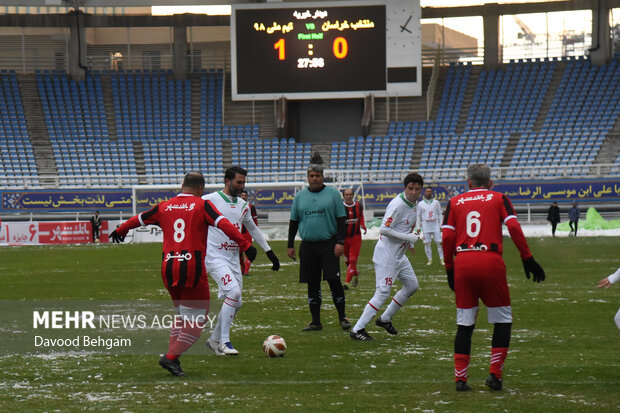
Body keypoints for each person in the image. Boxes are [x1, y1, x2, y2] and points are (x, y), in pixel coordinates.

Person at [109, 172, 255, 377]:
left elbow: (139, 219)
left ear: (182, 185)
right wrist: (245, 244)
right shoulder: (201, 205)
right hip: (192, 267)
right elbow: (223, 224)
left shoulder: (164, 206)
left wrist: (121, 230)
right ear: (200, 190)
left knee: (181, 317)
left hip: (168, 268)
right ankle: (170, 357)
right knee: (197, 323)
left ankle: (173, 360)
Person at [442, 164, 545, 392]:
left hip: (464, 262)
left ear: (468, 183)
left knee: (464, 323)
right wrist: (527, 258)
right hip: (490, 261)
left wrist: (450, 267)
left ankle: (460, 379)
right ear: (490, 183)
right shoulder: (499, 198)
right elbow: (514, 227)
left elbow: (447, 236)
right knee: (502, 320)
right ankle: (494, 376)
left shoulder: (454, 202)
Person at [204, 167, 280, 356]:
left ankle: (213, 340)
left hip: (233, 258)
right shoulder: (209, 200)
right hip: (214, 257)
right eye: (239, 182)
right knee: (234, 292)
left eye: (244, 182)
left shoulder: (242, 205)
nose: (242, 186)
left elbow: (253, 229)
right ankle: (224, 342)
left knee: (236, 302)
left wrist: (269, 252)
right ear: (227, 180)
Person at [350, 173, 423, 341]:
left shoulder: (414, 203)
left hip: (399, 254)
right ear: (405, 188)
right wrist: (408, 238)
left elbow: (405, 225)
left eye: (417, 189)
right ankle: (357, 329)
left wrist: (410, 240)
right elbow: (384, 229)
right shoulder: (397, 204)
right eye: (410, 188)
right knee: (383, 292)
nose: (413, 192)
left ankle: (385, 319)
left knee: (412, 286)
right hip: (387, 255)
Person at [287, 164, 350, 331]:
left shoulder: (333, 194)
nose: (315, 178)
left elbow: (341, 219)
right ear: (307, 177)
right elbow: (293, 222)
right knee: (312, 283)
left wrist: (340, 242)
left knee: (333, 280)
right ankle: (316, 322)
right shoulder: (300, 196)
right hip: (308, 246)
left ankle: (343, 317)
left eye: (318, 176)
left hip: (329, 244)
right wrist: (290, 245)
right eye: (312, 176)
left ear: (323, 177)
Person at [342, 188, 367, 290]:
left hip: (355, 237)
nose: (349, 196)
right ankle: (355, 272)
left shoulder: (358, 206)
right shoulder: (340, 207)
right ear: (343, 196)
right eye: (346, 194)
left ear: (353, 195)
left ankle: (347, 283)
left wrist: (363, 225)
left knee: (352, 260)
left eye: (350, 194)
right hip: (343, 238)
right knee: (347, 261)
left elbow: (361, 216)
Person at [416, 187, 444, 266]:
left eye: (430, 191)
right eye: (427, 191)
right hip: (426, 226)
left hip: (435, 226)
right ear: (424, 193)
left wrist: (441, 225)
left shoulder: (436, 203)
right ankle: (430, 259)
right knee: (427, 243)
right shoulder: (420, 204)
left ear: (432, 193)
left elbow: (439, 214)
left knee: (439, 243)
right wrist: (418, 227)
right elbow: (418, 216)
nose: (428, 193)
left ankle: (442, 259)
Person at [239, 189, 259, 276]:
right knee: (239, 253)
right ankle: (243, 270)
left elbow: (255, 220)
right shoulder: (235, 206)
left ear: (247, 197)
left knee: (249, 251)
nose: (243, 197)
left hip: (247, 233)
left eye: (245, 196)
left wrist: (255, 231)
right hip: (238, 233)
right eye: (242, 195)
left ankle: (246, 271)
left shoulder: (251, 207)